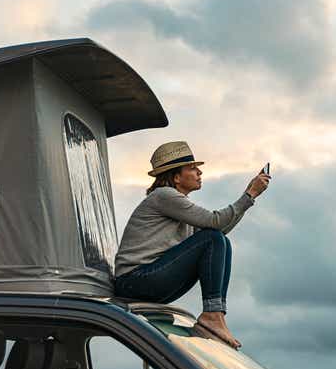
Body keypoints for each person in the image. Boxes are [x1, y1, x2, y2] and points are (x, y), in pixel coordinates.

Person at [113, 141, 270, 349]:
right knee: (213, 238)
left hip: (146, 280)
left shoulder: (177, 204)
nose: (200, 172)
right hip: (134, 280)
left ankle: (216, 315)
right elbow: (215, 224)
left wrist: (248, 198)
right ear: (176, 177)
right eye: (193, 168)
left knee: (220, 240)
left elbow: (218, 231)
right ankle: (212, 315)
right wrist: (249, 195)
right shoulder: (164, 195)